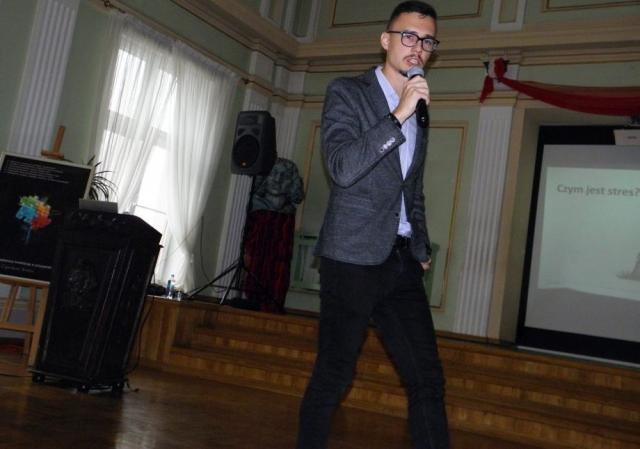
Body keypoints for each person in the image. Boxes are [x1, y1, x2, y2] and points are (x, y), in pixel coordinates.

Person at [296, 2, 449, 448]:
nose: (418, 47)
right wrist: (399, 113)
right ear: (386, 40)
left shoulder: (420, 110)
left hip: (401, 261)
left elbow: (412, 186)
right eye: (409, 36)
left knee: (427, 378)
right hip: (351, 258)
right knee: (335, 373)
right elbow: (342, 168)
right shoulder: (348, 92)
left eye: (427, 40)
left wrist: (420, 247)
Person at [242, 157, 304, 313]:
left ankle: (273, 303)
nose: (277, 179)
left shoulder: (286, 216)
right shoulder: (257, 210)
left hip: (281, 232)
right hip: (257, 256)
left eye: (284, 175)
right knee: (256, 262)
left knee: (279, 266)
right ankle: (254, 300)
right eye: (273, 174)